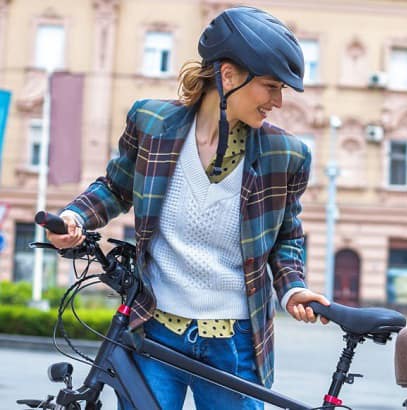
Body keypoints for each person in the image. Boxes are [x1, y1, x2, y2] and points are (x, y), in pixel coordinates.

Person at [45, 6, 329, 410]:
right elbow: (115, 187)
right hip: (155, 330)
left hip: (234, 343)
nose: (278, 101)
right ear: (229, 75)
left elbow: (286, 237)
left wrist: (293, 287)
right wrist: (74, 217)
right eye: (270, 86)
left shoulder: (287, 154)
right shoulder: (151, 123)